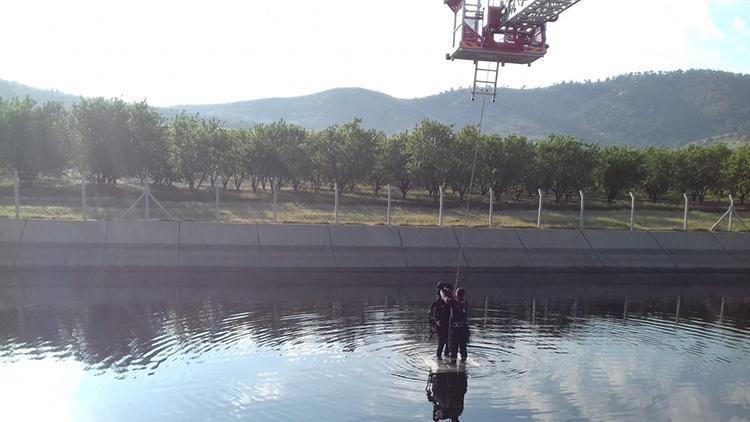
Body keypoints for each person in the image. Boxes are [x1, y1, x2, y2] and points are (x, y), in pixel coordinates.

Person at [430, 282, 452, 359]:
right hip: (441, 324)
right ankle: (439, 357)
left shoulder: (449, 298)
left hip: (449, 324)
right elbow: (435, 312)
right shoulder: (438, 300)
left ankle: (446, 356)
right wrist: (437, 320)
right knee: (441, 342)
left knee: (448, 343)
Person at [449, 288, 469, 361]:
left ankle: (453, 364)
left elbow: (445, 299)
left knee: (454, 348)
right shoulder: (465, 302)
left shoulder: (454, 302)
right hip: (464, 329)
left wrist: (442, 291)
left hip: (456, 329)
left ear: (457, 294)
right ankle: (464, 365)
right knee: (463, 348)